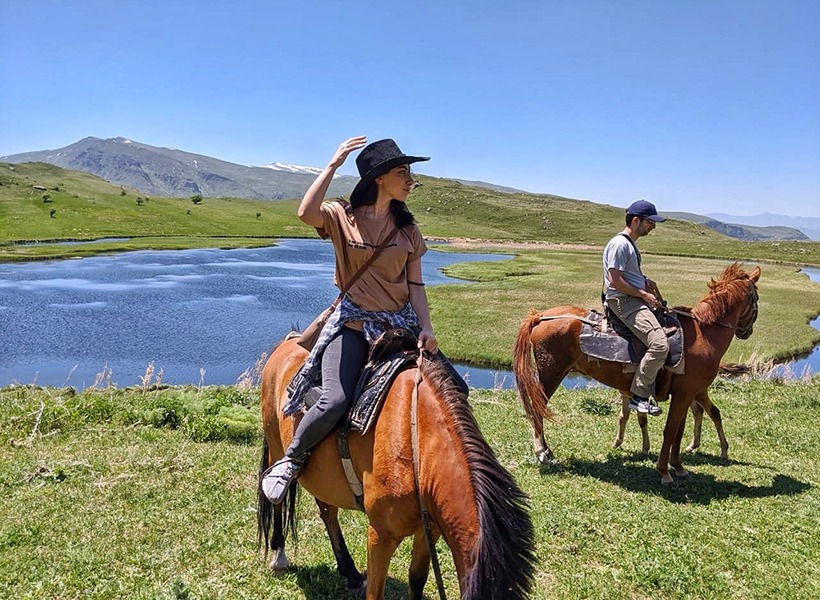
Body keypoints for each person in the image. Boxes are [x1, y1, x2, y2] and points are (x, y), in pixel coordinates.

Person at [261, 136, 468, 504]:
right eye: (402, 172)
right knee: (335, 400)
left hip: (399, 327)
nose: (410, 180)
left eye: (410, 173)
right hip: (355, 325)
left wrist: (427, 328)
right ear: (378, 178)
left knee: (456, 389)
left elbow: (416, 286)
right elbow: (305, 213)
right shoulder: (343, 216)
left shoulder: (408, 231)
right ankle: (292, 459)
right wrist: (333, 164)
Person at [602, 199, 669, 416]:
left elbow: (626, 275)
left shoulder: (629, 244)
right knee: (660, 345)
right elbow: (615, 280)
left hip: (632, 299)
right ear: (636, 220)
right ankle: (639, 396)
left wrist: (644, 280)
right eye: (650, 222)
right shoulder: (620, 244)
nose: (653, 227)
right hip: (625, 303)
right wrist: (643, 294)